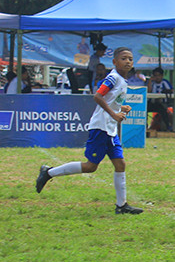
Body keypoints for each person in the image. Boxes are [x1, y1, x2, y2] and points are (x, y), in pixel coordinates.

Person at [34, 47, 143, 215]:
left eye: (130, 58)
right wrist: (114, 113)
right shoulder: (113, 78)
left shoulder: (122, 80)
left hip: (110, 129)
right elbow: (98, 96)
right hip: (101, 127)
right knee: (91, 166)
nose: (128, 61)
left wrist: (121, 108)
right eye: (124, 58)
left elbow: (109, 100)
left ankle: (121, 206)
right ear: (114, 62)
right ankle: (48, 172)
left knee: (120, 164)